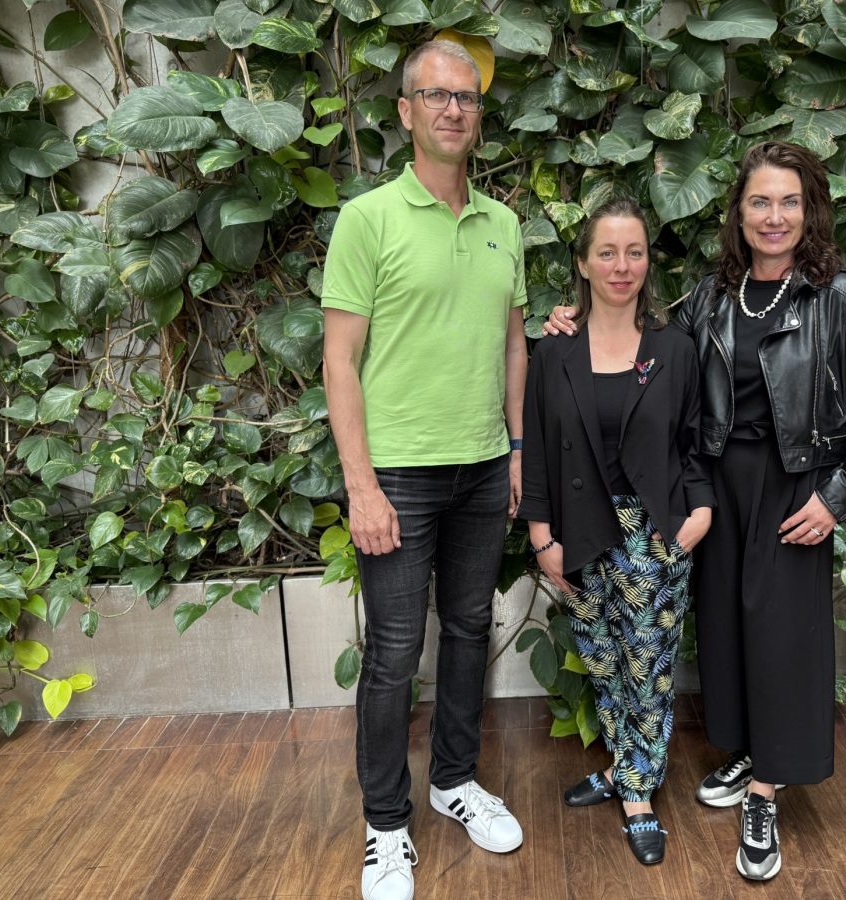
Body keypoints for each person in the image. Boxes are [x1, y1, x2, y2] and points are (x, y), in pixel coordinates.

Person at [545, 141, 846, 881]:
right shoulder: (715, 295)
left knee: (782, 635)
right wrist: (571, 319)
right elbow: (637, 327)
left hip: (795, 486)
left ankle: (767, 791)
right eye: (759, 202)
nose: (774, 217)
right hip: (714, 482)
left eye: (789, 202)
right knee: (727, 632)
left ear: (810, 210)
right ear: (738, 214)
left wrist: (835, 498)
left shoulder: (842, 295)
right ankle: (748, 752)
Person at [321, 39, 527, 900]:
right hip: (398, 474)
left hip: (482, 467)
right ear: (406, 112)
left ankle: (453, 782)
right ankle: (385, 826)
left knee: (470, 629)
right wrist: (361, 486)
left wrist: (516, 448)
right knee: (395, 653)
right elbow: (339, 360)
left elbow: (512, 345)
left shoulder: (505, 224)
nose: (453, 109)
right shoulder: (368, 220)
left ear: (478, 115)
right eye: (436, 96)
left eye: (466, 98)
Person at [518, 197, 714, 865]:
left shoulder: (674, 349)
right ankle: (626, 763)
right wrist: (541, 535)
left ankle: (636, 794)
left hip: (653, 532)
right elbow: (538, 449)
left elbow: (694, 443)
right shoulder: (554, 350)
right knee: (604, 664)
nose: (621, 265)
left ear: (648, 262)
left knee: (648, 670)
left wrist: (699, 514)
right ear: (582, 263)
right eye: (607, 252)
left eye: (634, 252)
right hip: (578, 530)